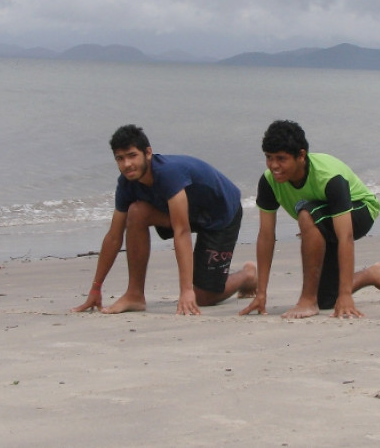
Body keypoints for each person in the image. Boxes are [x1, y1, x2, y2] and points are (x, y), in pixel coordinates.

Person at [72, 124, 256, 316]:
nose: (127, 164)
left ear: (148, 153)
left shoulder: (169, 174)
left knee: (202, 297)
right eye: (120, 158)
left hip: (220, 213)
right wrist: (95, 288)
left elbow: (181, 231)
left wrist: (186, 291)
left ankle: (247, 275)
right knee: (137, 212)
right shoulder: (126, 184)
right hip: (185, 212)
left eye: (132, 155)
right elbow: (113, 236)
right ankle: (134, 294)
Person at [240, 120, 380, 319]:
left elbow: (345, 237)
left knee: (307, 214)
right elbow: (266, 236)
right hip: (322, 218)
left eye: (281, 158)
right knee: (327, 299)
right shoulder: (269, 181)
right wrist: (261, 294)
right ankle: (372, 274)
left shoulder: (329, 177)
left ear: (301, 156)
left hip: (360, 210)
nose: (274, 166)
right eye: (269, 158)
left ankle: (307, 301)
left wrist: (346, 296)